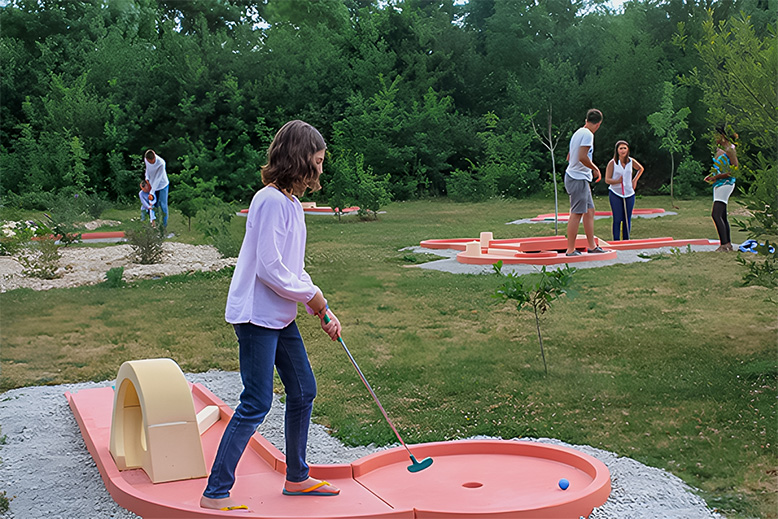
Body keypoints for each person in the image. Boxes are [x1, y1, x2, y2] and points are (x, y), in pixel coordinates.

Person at [200, 120, 343, 512]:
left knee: (303, 391)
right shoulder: (269, 200)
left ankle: (297, 478)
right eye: (317, 160)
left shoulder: (293, 205)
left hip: (280, 315)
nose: (320, 168)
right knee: (257, 401)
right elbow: (269, 268)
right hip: (255, 316)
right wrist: (312, 296)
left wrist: (321, 306)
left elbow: (293, 269)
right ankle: (215, 492)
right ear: (300, 158)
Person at [564, 109, 606, 256]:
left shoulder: (578, 132)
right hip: (577, 177)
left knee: (589, 211)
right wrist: (595, 169)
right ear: (598, 124)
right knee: (577, 213)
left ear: (586, 119)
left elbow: (570, 156)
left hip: (579, 176)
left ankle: (592, 246)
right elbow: (582, 156)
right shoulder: (588, 134)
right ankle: (570, 249)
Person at [704, 127, 738, 252]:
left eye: (716, 136)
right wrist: (713, 177)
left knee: (716, 214)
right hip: (718, 184)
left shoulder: (730, 149)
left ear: (722, 135)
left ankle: (724, 245)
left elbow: (735, 169)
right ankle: (727, 244)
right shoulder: (720, 150)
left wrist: (716, 177)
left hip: (726, 183)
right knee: (722, 214)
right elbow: (720, 167)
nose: (714, 138)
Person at [604, 140, 645, 241]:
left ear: (628, 150)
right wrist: (617, 181)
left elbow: (641, 169)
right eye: (620, 148)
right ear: (617, 150)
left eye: (624, 148)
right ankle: (616, 240)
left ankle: (626, 240)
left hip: (629, 193)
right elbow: (607, 180)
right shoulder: (612, 163)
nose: (623, 150)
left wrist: (634, 180)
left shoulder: (631, 161)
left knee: (627, 219)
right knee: (618, 219)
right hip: (616, 193)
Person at [144, 149, 170, 228]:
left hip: (162, 185)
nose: (151, 162)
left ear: (155, 155)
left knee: (163, 206)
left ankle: (164, 227)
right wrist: (147, 178)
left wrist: (151, 192)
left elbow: (158, 179)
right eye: (149, 161)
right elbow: (147, 170)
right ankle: (155, 226)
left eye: (152, 161)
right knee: (153, 206)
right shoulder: (146, 159)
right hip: (152, 185)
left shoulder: (161, 163)